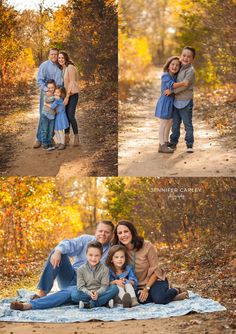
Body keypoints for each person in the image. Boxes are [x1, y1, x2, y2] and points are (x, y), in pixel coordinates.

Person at [10, 221, 115, 311]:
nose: (103, 234)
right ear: (96, 231)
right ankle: (42, 292)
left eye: (106, 232)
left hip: (85, 285)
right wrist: (58, 251)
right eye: (100, 231)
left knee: (71, 292)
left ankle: (29, 305)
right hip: (71, 276)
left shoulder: (112, 250)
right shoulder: (85, 240)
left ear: (112, 235)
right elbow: (67, 243)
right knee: (57, 251)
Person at [112, 221, 188, 305]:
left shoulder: (147, 246)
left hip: (154, 281)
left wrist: (146, 289)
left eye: (126, 231)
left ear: (132, 232)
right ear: (117, 236)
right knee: (134, 300)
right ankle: (170, 297)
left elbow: (156, 270)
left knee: (159, 299)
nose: (123, 235)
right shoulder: (119, 251)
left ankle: (176, 290)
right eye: (120, 233)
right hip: (136, 285)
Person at [165, 46, 196, 153]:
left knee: (187, 124)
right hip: (176, 101)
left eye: (189, 57)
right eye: (184, 55)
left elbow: (184, 86)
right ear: (180, 56)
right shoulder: (179, 66)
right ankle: (173, 142)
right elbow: (171, 76)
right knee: (175, 124)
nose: (186, 58)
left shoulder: (190, 70)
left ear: (192, 59)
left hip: (186, 101)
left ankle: (189, 144)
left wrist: (172, 91)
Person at [155, 56, 189, 153]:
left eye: (177, 65)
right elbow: (172, 85)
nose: (174, 66)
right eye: (172, 64)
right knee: (163, 123)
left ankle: (165, 142)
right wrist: (183, 83)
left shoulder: (175, 76)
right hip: (165, 102)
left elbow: (174, 89)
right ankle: (161, 145)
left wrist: (172, 90)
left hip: (172, 103)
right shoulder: (165, 75)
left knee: (169, 123)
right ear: (168, 65)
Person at [71, 241, 118, 308]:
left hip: (100, 292)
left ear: (101, 256)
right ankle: (103, 302)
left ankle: (91, 304)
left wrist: (97, 293)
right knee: (74, 295)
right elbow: (80, 286)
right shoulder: (80, 269)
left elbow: (104, 286)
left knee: (114, 288)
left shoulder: (105, 269)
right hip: (87, 293)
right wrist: (89, 293)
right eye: (90, 255)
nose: (93, 258)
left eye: (96, 255)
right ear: (86, 254)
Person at [34, 48, 63, 149]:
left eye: (55, 54)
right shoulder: (44, 65)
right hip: (46, 93)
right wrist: (47, 90)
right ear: (49, 55)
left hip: (56, 94)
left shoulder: (60, 66)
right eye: (52, 54)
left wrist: (58, 93)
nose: (54, 56)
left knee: (53, 115)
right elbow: (39, 80)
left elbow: (61, 82)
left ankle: (50, 138)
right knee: (44, 115)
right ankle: (39, 139)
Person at [58, 51, 79, 147]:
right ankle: (66, 137)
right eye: (59, 58)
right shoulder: (63, 69)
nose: (60, 59)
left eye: (62, 58)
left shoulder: (70, 67)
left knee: (70, 115)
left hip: (72, 95)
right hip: (65, 95)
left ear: (66, 58)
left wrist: (67, 97)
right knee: (65, 116)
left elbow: (72, 83)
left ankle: (76, 137)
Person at [41, 79, 56, 151]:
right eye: (49, 88)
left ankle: (50, 143)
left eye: (52, 88)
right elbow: (46, 100)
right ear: (47, 88)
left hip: (52, 115)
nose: (50, 89)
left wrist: (55, 97)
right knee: (45, 129)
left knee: (50, 130)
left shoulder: (56, 94)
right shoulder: (46, 93)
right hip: (45, 114)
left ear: (55, 87)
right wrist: (54, 98)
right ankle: (44, 143)